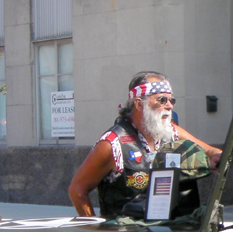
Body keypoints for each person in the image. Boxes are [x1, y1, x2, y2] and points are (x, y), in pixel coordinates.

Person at [68, 71, 221, 218]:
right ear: (139, 104)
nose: (169, 106)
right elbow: (77, 190)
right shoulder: (112, 144)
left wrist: (216, 157)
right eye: (162, 100)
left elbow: (210, 150)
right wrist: (95, 231)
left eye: (171, 100)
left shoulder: (172, 132)